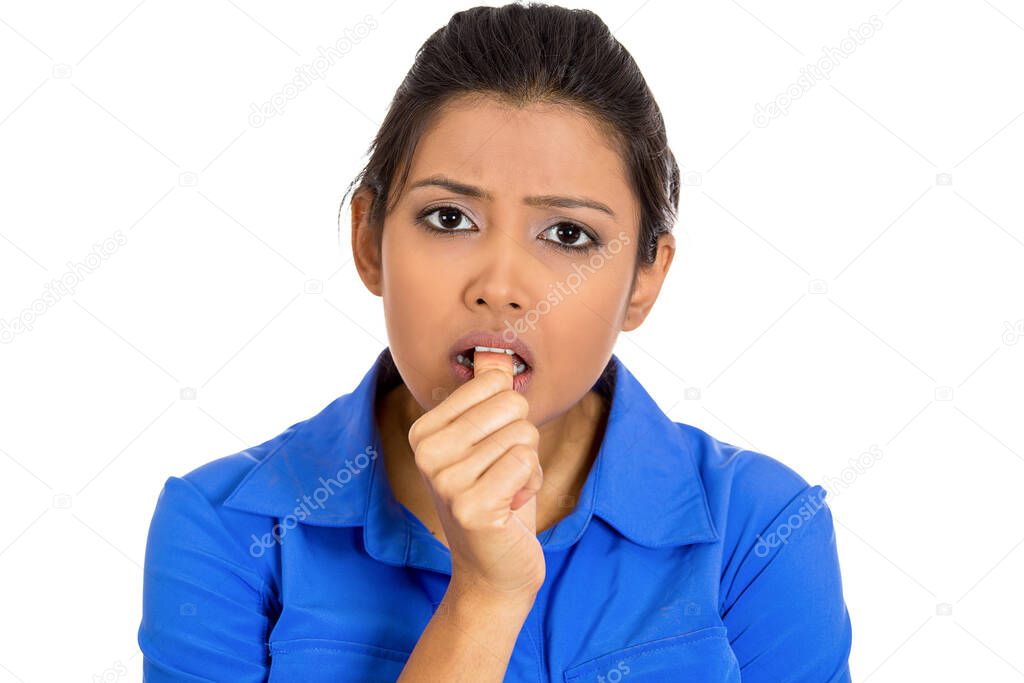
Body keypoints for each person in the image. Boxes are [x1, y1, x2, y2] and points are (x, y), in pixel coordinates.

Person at [138, 3, 853, 680]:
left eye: (569, 234)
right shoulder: (226, 527)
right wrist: (484, 594)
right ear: (368, 241)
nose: (500, 286)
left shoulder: (762, 529)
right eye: (449, 218)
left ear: (644, 279)